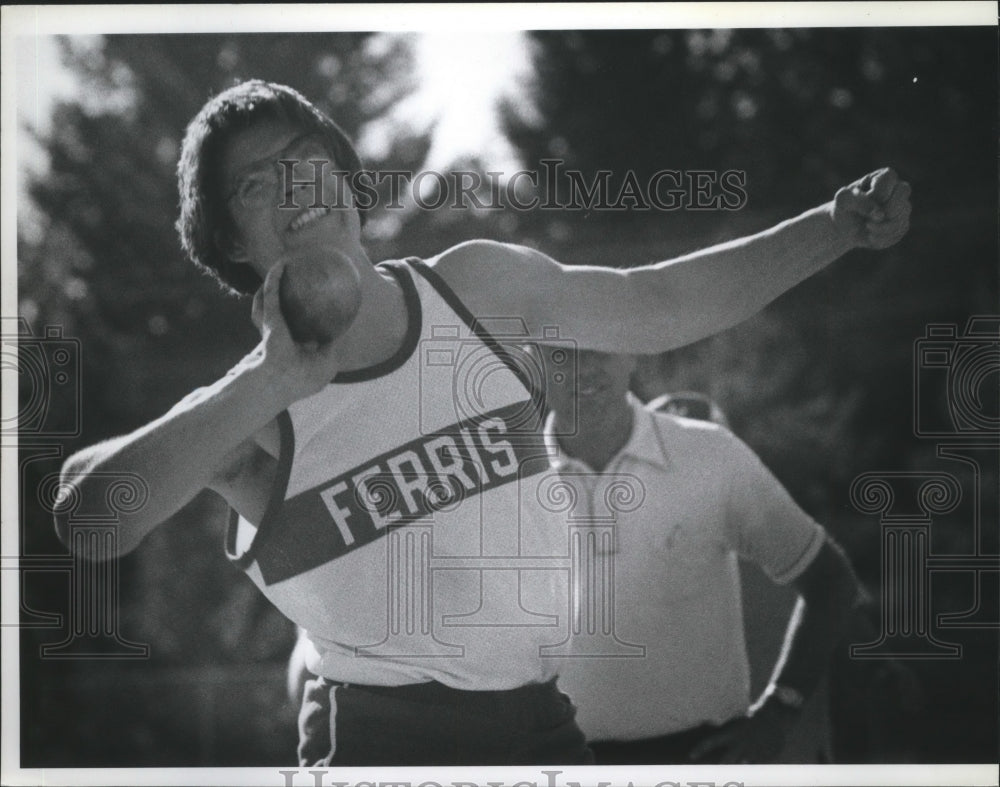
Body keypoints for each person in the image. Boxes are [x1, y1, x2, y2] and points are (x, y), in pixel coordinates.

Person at [53, 79, 910, 766]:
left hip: (543, 722)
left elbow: (658, 304)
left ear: (347, 179)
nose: (292, 185)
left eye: (305, 158)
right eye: (254, 182)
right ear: (232, 243)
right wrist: (273, 377)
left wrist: (833, 229)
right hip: (386, 748)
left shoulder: (474, 291)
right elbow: (88, 514)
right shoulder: (253, 413)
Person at [539, 348, 862, 764]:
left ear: (632, 350)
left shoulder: (711, 454)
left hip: (702, 756)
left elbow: (832, 583)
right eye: (562, 350)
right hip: (560, 763)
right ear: (533, 360)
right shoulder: (509, 475)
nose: (584, 365)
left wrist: (781, 710)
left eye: (601, 342)